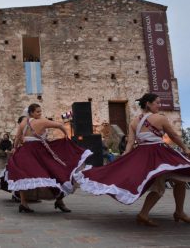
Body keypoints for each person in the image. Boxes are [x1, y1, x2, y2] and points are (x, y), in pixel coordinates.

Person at [74, 93, 190, 226]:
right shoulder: (160, 118)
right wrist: (185, 149)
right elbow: (174, 135)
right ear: (148, 104)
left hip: (142, 154)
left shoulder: (135, 121)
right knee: (159, 185)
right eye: (157, 102)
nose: (159, 105)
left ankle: (179, 211)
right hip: (157, 154)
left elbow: (130, 142)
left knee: (179, 179)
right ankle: (143, 214)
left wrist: (125, 156)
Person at [5, 103, 92, 213]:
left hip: (25, 151)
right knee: (55, 172)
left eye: (40, 111)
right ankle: (58, 201)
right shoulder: (42, 121)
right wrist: (66, 136)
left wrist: (15, 148)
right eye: (37, 111)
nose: (40, 113)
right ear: (31, 113)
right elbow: (59, 125)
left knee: (24, 175)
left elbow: (17, 138)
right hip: (39, 151)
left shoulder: (23, 122)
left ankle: (24, 203)